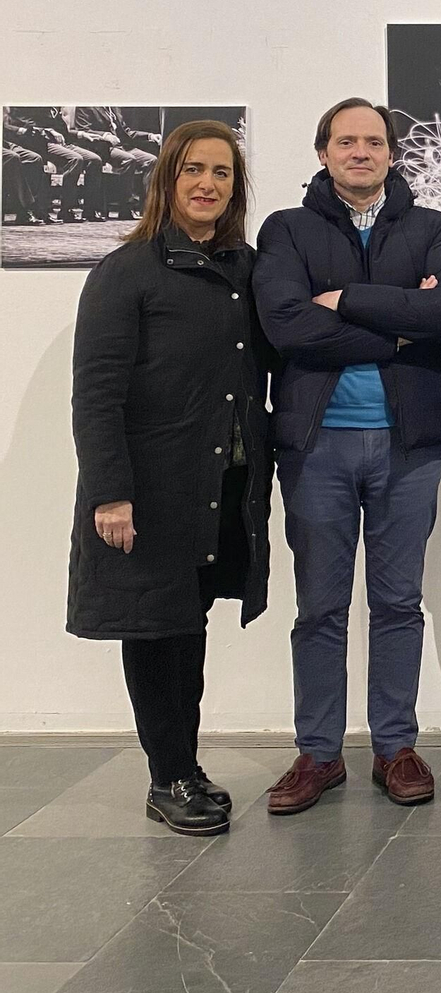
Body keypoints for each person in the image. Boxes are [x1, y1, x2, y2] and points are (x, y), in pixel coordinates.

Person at [254, 98, 441, 814]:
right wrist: (399, 325)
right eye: (346, 141)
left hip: (408, 445)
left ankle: (395, 748)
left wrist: (344, 298)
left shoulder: (431, 227)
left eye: (373, 142)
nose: (360, 152)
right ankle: (318, 754)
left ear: (391, 153)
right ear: (323, 153)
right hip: (315, 445)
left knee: (398, 602)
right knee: (319, 605)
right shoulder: (285, 229)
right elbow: (286, 326)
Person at [66, 120, 272, 836]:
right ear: (167, 179)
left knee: (189, 626)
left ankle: (184, 766)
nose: (207, 184)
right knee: (155, 630)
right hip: (150, 491)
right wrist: (109, 493)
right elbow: (96, 395)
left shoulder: (246, 270)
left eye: (221, 172)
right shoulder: (127, 272)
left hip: (222, 487)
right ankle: (168, 778)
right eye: (193, 169)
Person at [72, 106, 160, 217]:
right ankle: (125, 206)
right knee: (128, 159)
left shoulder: (114, 108)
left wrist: (150, 136)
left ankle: (147, 209)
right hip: (103, 147)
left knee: (152, 160)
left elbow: (126, 132)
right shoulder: (87, 106)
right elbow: (84, 130)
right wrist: (104, 135)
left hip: (123, 147)